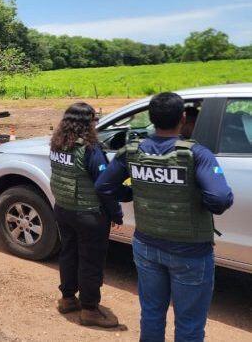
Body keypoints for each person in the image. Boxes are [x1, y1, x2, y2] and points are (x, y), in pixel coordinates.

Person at [96, 92, 233, 342]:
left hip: (146, 246)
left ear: (151, 118)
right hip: (190, 253)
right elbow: (221, 199)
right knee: (189, 324)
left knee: (151, 314)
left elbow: (104, 186)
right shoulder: (197, 154)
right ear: (182, 119)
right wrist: (191, 198)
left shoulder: (132, 151)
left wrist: (130, 193)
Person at [49, 102, 125, 328]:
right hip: (88, 214)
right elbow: (104, 186)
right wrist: (116, 214)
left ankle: (67, 299)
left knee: (69, 254)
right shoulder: (90, 149)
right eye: (94, 119)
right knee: (90, 262)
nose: (97, 123)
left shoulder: (57, 144)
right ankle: (90, 309)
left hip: (63, 209)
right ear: (86, 122)